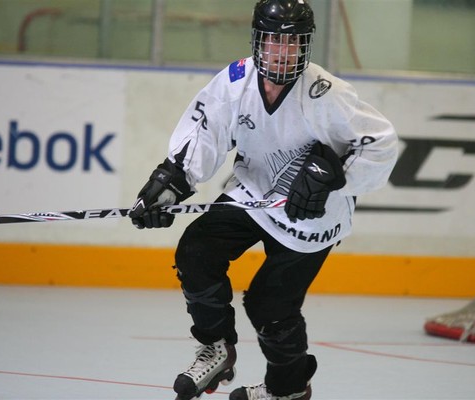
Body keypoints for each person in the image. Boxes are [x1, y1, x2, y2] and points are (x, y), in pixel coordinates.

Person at [128, 0, 398, 399]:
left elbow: (380, 144)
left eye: (293, 43)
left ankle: (287, 390)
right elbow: (205, 131)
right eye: (273, 40)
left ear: (305, 46)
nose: (282, 50)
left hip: (310, 216)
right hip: (253, 192)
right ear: (258, 41)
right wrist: (172, 182)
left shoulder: (326, 93)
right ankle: (216, 347)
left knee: (270, 307)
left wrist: (333, 180)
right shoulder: (236, 80)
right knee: (196, 251)